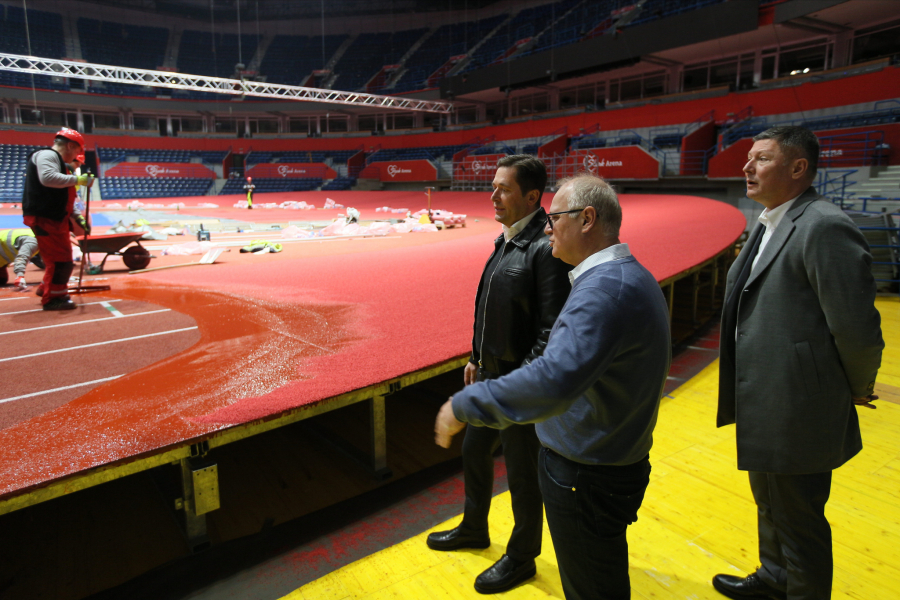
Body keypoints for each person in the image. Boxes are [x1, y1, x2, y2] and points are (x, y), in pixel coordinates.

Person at [435, 173, 671, 600]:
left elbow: (553, 379)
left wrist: (465, 404)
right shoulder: (625, 277)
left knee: (591, 587)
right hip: (606, 461)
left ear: (587, 219)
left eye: (555, 218)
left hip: (587, 473)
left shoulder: (603, 292)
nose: (548, 228)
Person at [713, 126, 883, 600]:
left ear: (798, 168)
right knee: (769, 501)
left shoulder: (823, 225)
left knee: (799, 519)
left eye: (761, 159)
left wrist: (856, 386)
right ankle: (775, 578)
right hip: (767, 395)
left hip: (799, 404)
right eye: (749, 158)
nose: (747, 167)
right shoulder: (771, 220)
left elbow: (856, 326)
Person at [426, 155, 572, 594]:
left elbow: (550, 329)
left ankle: (522, 557)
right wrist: (476, 356)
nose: (492, 196)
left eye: (503, 189)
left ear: (532, 196)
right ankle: (474, 527)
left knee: (523, 476)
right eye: (493, 187)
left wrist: (520, 384)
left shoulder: (545, 249)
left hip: (518, 385)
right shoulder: (507, 240)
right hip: (490, 377)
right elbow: (489, 307)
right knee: (474, 452)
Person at [22, 128, 94, 310]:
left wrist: (77, 218)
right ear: (70, 146)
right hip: (47, 218)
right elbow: (47, 178)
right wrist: (79, 180)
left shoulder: (59, 165)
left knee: (58, 258)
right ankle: (54, 298)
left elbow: (65, 199)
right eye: (77, 151)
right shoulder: (47, 155)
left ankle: (46, 288)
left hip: (54, 217)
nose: (77, 157)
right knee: (61, 260)